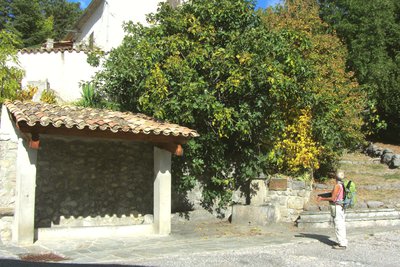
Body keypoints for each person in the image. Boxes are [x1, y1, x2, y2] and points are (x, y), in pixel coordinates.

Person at [317, 170, 348, 249]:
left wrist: (322, 198)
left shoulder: (337, 186)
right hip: (341, 206)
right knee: (341, 225)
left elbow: (333, 198)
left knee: (338, 225)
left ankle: (342, 244)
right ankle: (343, 242)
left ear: (335, 177)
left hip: (337, 207)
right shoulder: (342, 185)